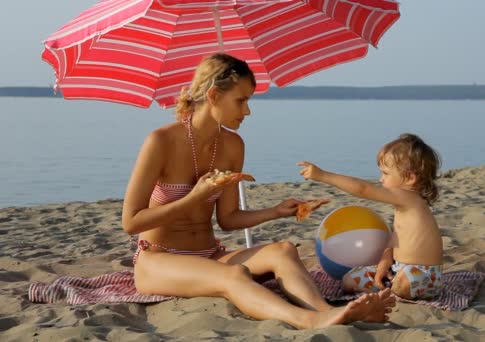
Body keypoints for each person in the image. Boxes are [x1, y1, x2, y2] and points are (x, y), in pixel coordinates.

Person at [121, 53, 395, 329]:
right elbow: (131, 222)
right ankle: (309, 319)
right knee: (234, 275)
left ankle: (326, 311)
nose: (247, 111)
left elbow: (228, 219)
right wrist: (195, 198)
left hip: (210, 255)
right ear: (214, 95)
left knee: (284, 250)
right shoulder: (161, 142)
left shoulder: (232, 146)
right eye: (241, 100)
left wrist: (276, 212)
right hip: (159, 260)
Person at [298, 133, 444, 300]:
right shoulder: (402, 204)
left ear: (410, 178)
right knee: (349, 280)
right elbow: (396, 239)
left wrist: (322, 175)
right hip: (397, 269)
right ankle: (389, 289)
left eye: (386, 173)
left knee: (403, 285)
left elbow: (363, 189)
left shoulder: (410, 199)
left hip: (424, 275)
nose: (381, 179)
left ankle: (393, 291)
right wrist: (384, 263)